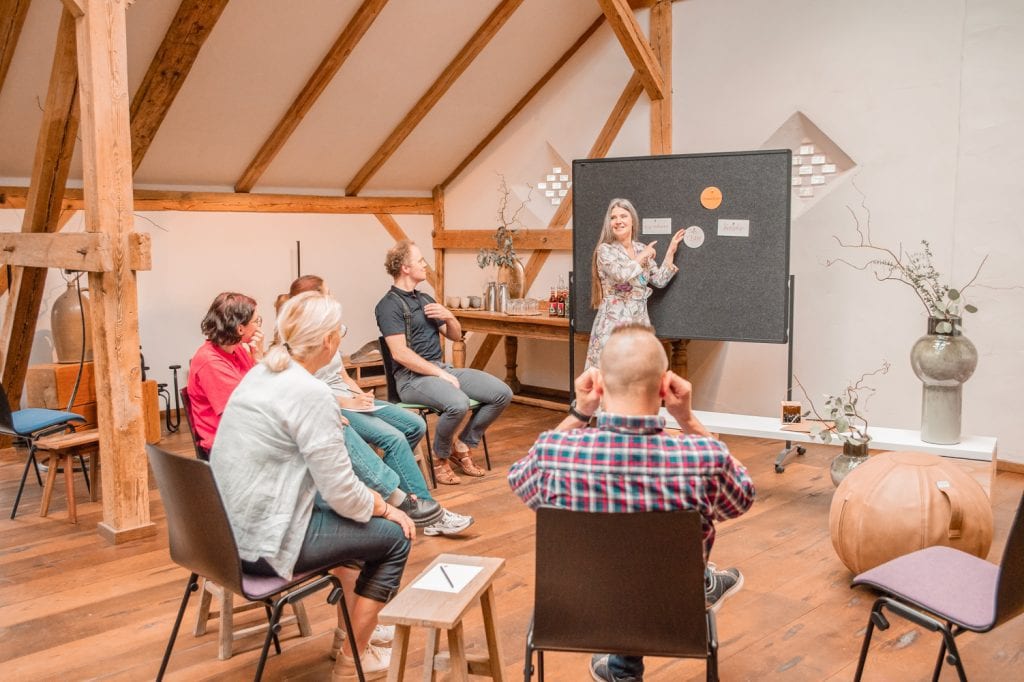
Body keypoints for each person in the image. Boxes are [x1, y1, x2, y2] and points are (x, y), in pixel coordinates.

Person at [508, 324, 755, 682]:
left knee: (618, 552)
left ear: (600, 386)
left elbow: (518, 478)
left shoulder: (553, 453)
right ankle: (702, 584)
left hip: (574, 610)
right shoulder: (704, 458)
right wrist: (686, 418)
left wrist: (579, 413)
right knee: (656, 553)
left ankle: (623, 669)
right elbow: (743, 496)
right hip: (670, 614)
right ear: (665, 387)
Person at [211, 291, 414, 681]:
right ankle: (353, 662)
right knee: (394, 537)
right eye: (339, 331)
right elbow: (344, 494)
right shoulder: (311, 392)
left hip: (223, 532)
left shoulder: (262, 373)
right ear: (328, 342)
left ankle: (352, 635)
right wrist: (388, 508)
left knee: (354, 530)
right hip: (263, 544)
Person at [280, 275, 474, 536]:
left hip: (349, 399)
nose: (333, 296)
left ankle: (403, 496)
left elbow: (342, 375)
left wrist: (362, 395)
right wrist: (348, 402)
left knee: (414, 424)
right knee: (393, 438)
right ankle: (427, 512)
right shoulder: (299, 342)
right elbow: (305, 390)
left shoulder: (324, 330)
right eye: (328, 293)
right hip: (336, 406)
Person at [375, 241, 513, 485]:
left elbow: (455, 335)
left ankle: (463, 445)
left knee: (501, 393)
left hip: (441, 369)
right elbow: (400, 354)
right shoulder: (388, 306)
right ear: (405, 267)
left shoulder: (426, 298)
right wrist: (439, 375)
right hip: (410, 379)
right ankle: (441, 457)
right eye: (419, 261)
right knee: (458, 403)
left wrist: (450, 316)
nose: (424, 265)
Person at [586, 198, 686, 369]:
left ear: (632, 220)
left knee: (637, 375)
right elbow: (621, 274)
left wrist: (670, 252)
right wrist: (644, 255)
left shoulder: (641, 248)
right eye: (613, 217)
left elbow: (659, 280)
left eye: (623, 216)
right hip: (613, 322)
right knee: (612, 375)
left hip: (639, 321)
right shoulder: (605, 250)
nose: (618, 221)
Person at [186, 292, 264, 453]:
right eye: (257, 321)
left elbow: (257, 391)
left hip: (243, 434)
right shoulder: (210, 362)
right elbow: (241, 413)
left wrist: (257, 359)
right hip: (227, 447)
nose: (259, 326)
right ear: (240, 328)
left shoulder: (237, 350)